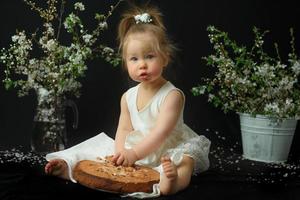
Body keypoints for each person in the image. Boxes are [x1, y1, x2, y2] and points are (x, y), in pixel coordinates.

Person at [45, 4, 211, 196]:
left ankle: (172, 182)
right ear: (126, 62)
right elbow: (124, 128)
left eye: (149, 56)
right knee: (94, 150)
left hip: (166, 149)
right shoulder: (128, 97)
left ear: (165, 57)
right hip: (135, 149)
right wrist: (120, 153)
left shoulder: (171, 95)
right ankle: (69, 168)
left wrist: (134, 154)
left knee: (185, 162)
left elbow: (161, 133)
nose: (142, 65)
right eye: (134, 59)